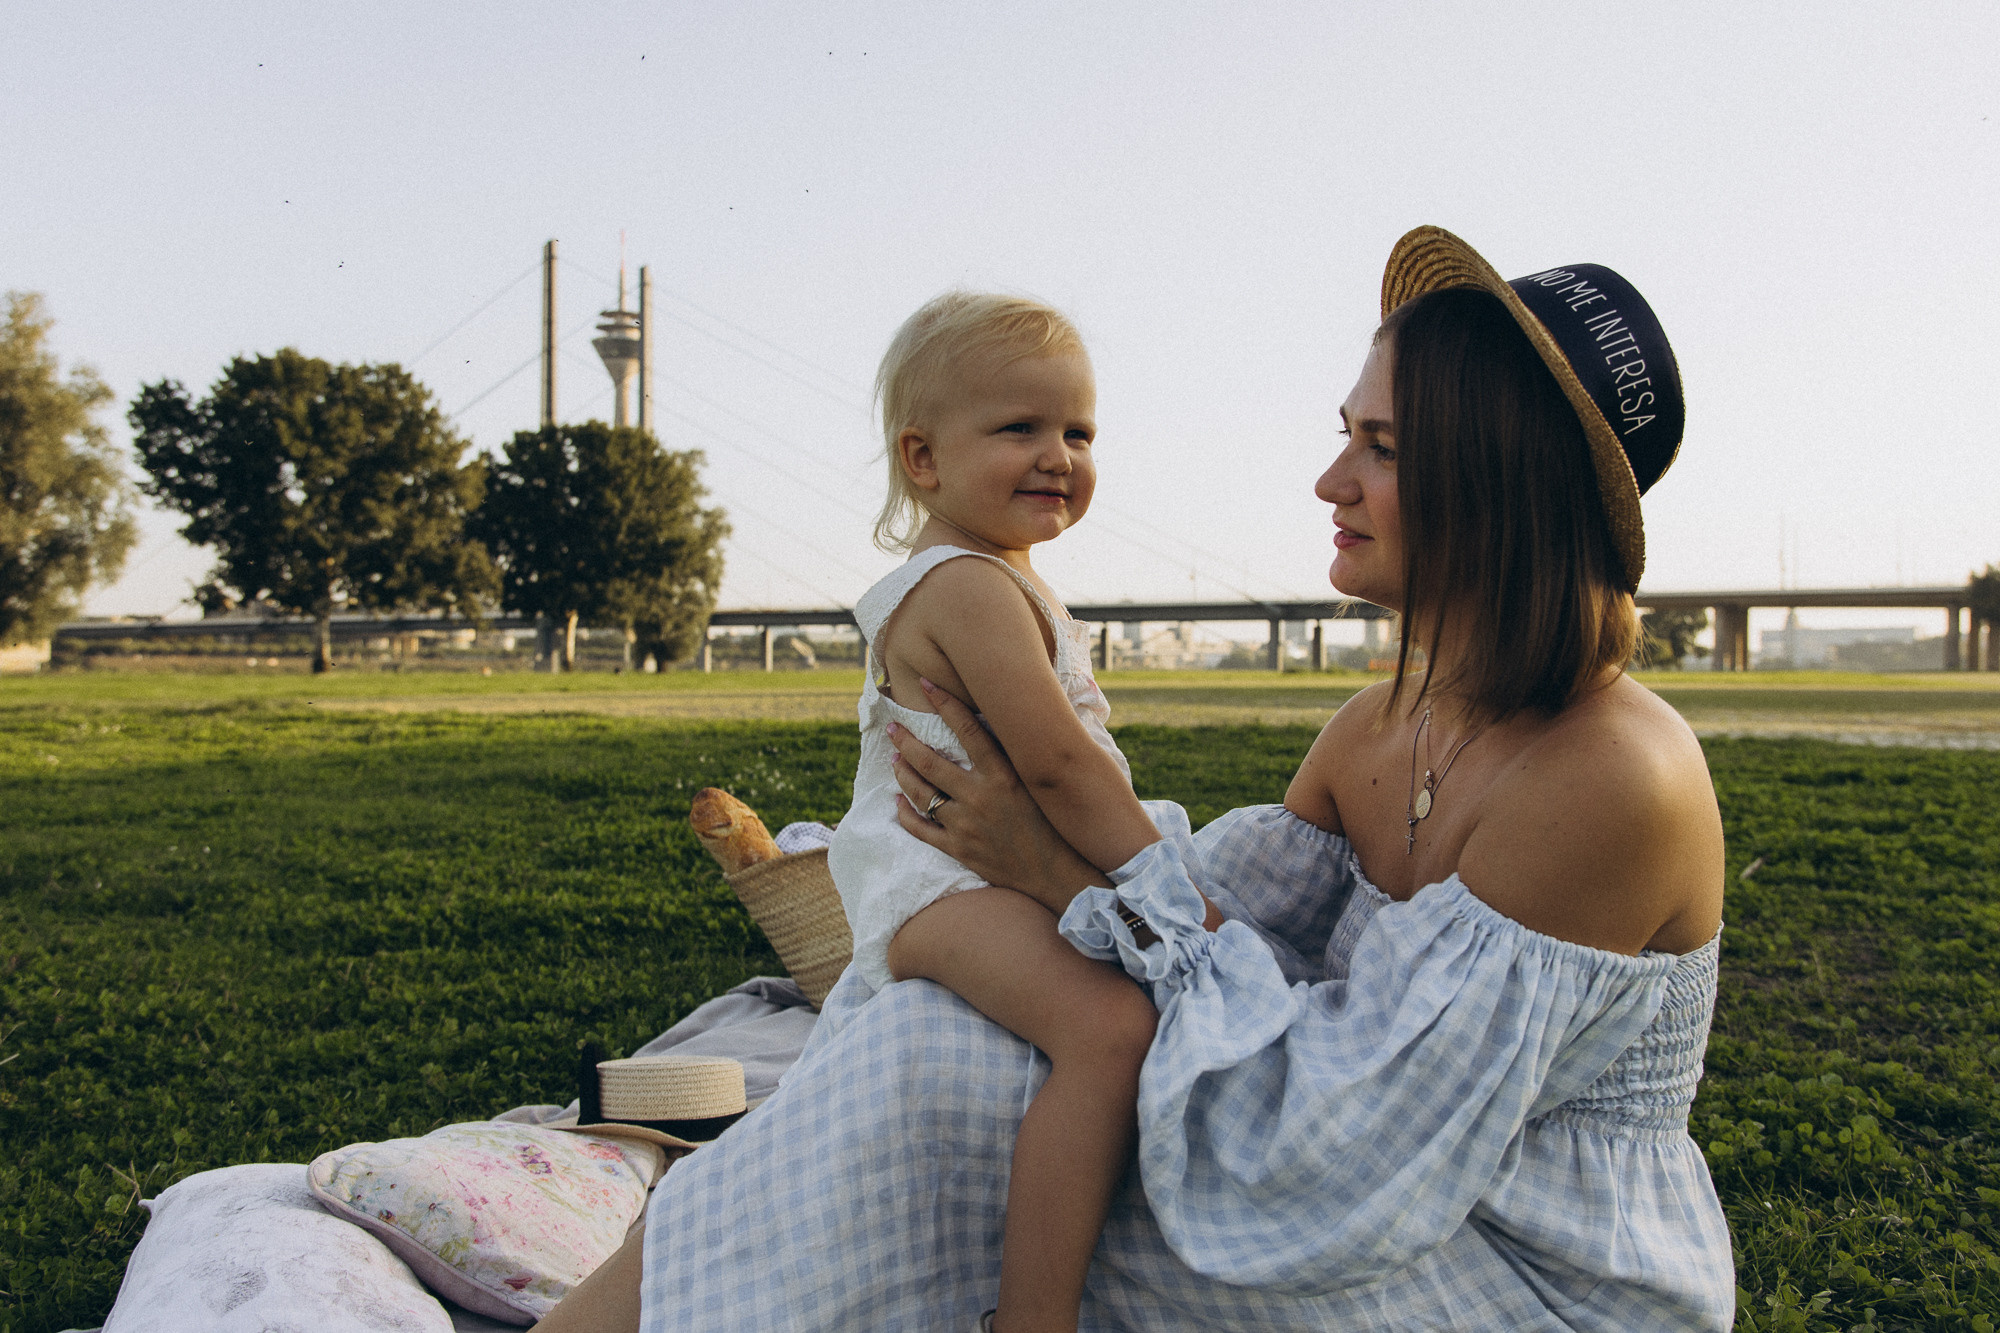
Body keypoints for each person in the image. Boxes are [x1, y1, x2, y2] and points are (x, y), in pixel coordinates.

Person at [540, 226, 1734, 1331]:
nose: (1330, 482)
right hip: (1367, 1187)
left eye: (1379, 449)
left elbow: (1344, 1150)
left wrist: (1046, 862)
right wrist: (1033, 880)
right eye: (1345, 434)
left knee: (980, 1102)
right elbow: (1208, 918)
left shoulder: (1610, 778)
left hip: (1526, 1272)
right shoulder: (1384, 726)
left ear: (1498, 483)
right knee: (949, 1047)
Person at [826, 290, 1168, 1333]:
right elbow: (1058, 767)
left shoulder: (1006, 580)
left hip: (974, 865)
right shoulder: (963, 588)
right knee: (1109, 1026)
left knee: (1116, 998)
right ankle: (1031, 1317)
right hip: (937, 881)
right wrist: (1161, 882)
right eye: (1018, 428)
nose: (1057, 454)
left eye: (1077, 430)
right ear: (922, 460)